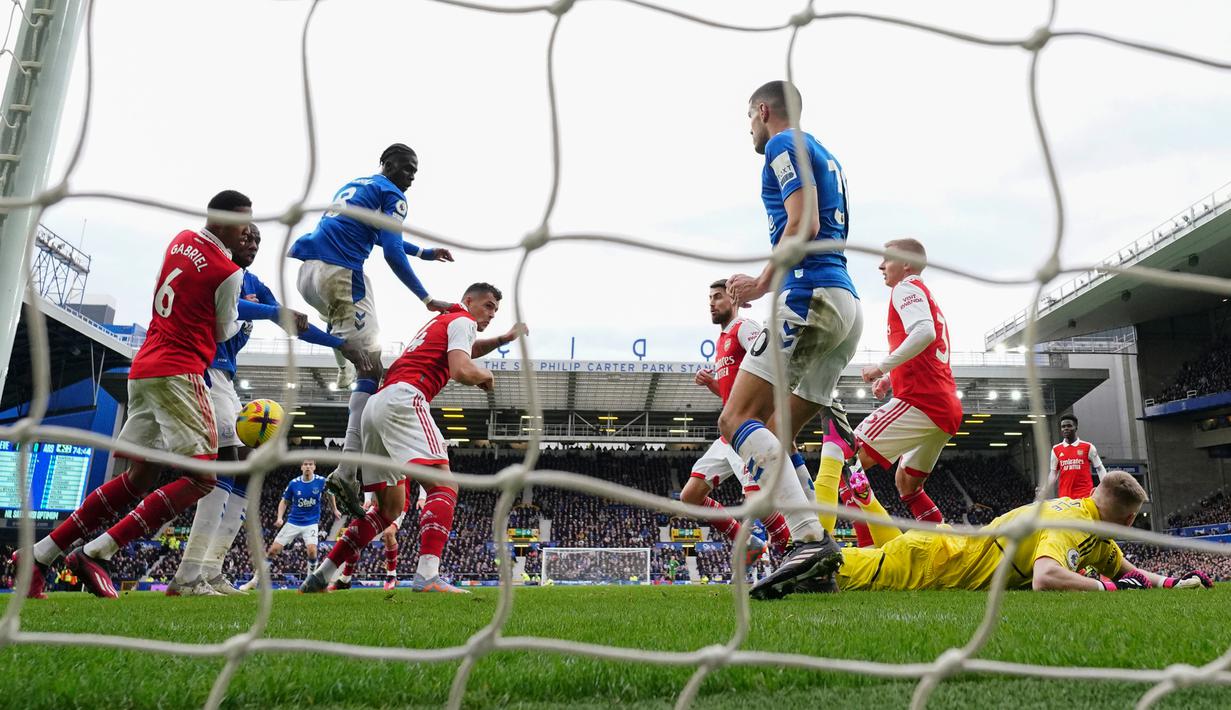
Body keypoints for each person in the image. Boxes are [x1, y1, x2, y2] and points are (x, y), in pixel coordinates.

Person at [15, 191, 252, 599]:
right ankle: (97, 552)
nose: (248, 231)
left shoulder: (179, 240)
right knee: (203, 479)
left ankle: (39, 555)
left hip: (143, 369)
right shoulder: (228, 272)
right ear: (221, 219)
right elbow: (223, 332)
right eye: (244, 223)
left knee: (138, 477)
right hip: (180, 372)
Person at [717, 80, 862, 600]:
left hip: (809, 296)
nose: (749, 129)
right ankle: (817, 561)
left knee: (735, 419)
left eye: (749, 118)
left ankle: (808, 541)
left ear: (762, 111)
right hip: (845, 302)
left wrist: (760, 282)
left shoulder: (783, 145)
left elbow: (804, 221)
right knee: (777, 428)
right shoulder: (825, 153)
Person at [167, 224, 368, 596]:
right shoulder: (213, 269)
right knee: (226, 464)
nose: (253, 244)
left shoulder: (255, 283)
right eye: (246, 236)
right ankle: (189, 573)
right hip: (196, 370)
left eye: (258, 239)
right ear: (226, 236)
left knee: (242, 466)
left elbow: (290, 321)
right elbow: (246, 309)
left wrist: (341, 344)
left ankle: (209, 569)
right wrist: (273, 310)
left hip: (223, 378)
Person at [300, 282, 526, 594]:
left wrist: (502, 339)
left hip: (377, 406)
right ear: (468, 300)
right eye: (487, 306)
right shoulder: (462, 321)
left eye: (496, 310)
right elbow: (461, 368)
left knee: (388, 511)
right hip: (406, 399)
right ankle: (428, 575)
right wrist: (484, 377)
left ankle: (321, 576)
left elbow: (467, 349)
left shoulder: (444, 322)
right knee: (444, 484)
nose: (491, 314)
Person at [289, 143, 455, 518]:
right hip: (341, 273)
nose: (409, 177)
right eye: (404, 168)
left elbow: (383, 235)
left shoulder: (356, 185)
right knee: (372, 366)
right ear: (385, 164)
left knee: (361, 359)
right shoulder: (392, 194)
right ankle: (347, 471)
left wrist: (426, 253)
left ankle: (345, 364)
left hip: (308, 274)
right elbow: (390, 251)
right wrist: (426, 298)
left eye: (414, 172)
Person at [816, 470, 1214, 594]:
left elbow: (1126, 571)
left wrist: (1172, 584)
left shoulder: (1093, 531)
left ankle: (863, 498)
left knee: (859, 562)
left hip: (944, 549)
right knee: (830, 570)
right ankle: (800, 543)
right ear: (1129, 521)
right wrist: (1106, 589)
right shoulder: (1072, 525)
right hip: (936, 563)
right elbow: (1045, 578)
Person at [837, 238, 962, 527]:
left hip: (921, 401)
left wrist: (881, 367)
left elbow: (923, 333)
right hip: (944, 406)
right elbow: (927, 348)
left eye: (886, 259)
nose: (881, 265)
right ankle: (943, 550)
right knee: (908, 484)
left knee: (846, 457)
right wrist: (891, 378)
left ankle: (867, 543)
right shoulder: (923, 293)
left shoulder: (905, 288)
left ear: (906, 263)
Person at [684, 279, 791, 560]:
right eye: (709, 298)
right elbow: (734, 394)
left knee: (758, 503)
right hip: (728, 433)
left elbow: (771, 367)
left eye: (718, 297)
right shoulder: (721, 342)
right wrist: (712, 383)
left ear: (735, 300)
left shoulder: (745, 329)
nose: (711, 303)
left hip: (748, 429)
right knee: (690, 497)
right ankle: (750, 542)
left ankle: (792, 553)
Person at [240, 460, 339, 590]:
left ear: (314, 467)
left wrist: (335, 509)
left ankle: (309, 583)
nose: (308, 466)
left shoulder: (321, 481)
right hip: (293, 522)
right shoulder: (294, 483)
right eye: (305, 464)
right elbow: (284, 501)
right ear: (301, 467)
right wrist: (280, 518)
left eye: (310, 464)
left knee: (312, 551)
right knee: (273, 551)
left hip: (311, 523)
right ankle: (254, 581)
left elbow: (330, 494)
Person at [1047, 414, 1107, 499]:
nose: (1066, 428)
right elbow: (1053, 473)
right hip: (1065, 497)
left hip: (1085, 496)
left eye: (1069, 426)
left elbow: (1100, 468)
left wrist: (1106, 486)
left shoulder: (1088, 447)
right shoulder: (1056, 449)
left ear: (1076, 427)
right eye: (1063, 426)